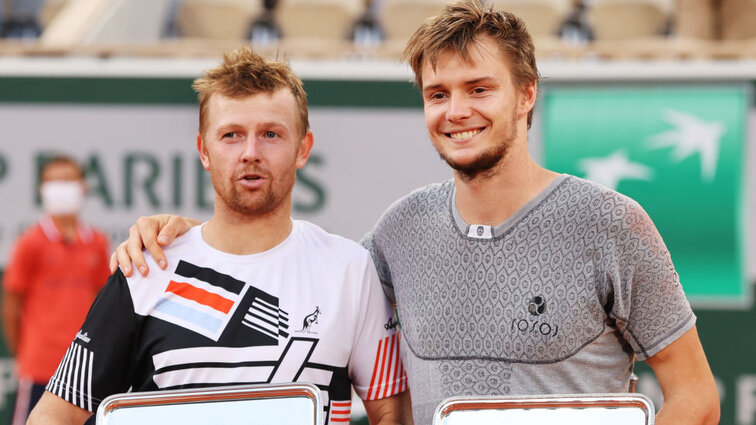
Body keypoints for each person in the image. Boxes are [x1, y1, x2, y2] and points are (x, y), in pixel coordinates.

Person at [109, 2, 720, 425]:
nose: (457, 111)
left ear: (527, 93)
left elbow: (695, 395)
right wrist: (185, 234)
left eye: (479, 89)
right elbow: (293, 265)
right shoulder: (398, 234)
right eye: (437, 94)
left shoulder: (611, 223)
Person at [27, 47, 409, 425]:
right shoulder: (148, 267)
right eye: (231, 135)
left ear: (303, 148)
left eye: (271, 134)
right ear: (203, 150)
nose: (250, 152)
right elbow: (51, 417)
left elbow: (392, 413)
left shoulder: (348, 269)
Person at [2, 156, 109, 425]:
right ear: (42, 189)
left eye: (69, 180)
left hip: (84, 368)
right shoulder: (29, 242)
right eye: (54, 181)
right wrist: (24, 354)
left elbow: (104, 304)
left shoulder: (97, 241)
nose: (62, 188)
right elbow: (12, 303)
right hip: (39, 366)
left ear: (83, 187)